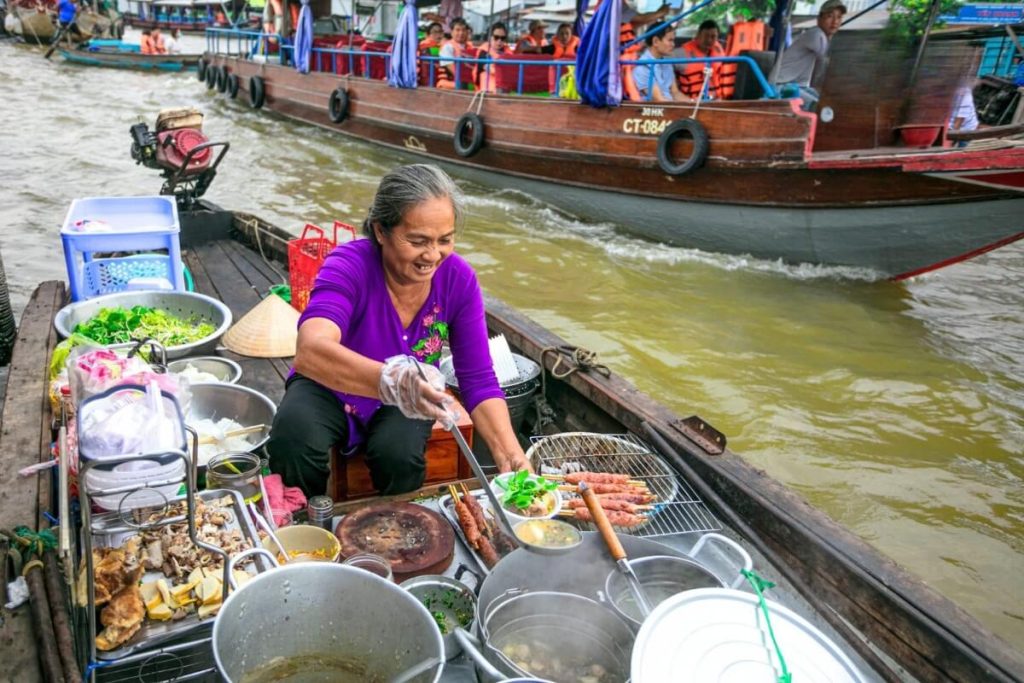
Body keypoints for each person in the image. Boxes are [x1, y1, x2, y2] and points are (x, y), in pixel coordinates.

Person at [266, 165, 531, 498]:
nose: (433, 255)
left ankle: (397, 532)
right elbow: (311, 350)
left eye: (445, 240)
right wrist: (392, 380)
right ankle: (307, 527)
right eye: (417, 241)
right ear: (381, 231)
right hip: (331, 384)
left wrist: (510, 454)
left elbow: (477, 378)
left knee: (400, 454)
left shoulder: (459, 280)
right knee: (294, 437)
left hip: (410, 394)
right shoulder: (348, 265)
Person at [775, 0, 846, 109]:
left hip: (799, 87)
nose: (835, 21)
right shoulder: (816, 34)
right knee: (820, 108)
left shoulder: (823, 37)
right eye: (830, 16)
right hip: (782, 87)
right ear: (819, 19)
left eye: (839, 17)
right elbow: (828, 65)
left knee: (829, 105)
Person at [632, 25, 687, 102]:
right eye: (670, 40)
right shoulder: (643, 67)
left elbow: (675, 93)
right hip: (658, 111)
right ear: (656, 41)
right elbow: (659, 100)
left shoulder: (666, 63)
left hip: (670, 107)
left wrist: (693, 103)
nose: (673, 44)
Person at [676, 19, 724, 100]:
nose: (709, 40)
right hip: (692, 103)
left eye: (713, 36)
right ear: (698, 35)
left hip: (717, 101)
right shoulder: (680, 53)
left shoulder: (720, 50)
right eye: (705, 36)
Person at [437, 18, 475, 88]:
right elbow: (454, 71)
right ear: (451, 32)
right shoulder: (447, 47)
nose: (461, 33)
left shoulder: (470, 47)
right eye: (457, 30)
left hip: (468, 82)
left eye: (463, 30)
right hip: (451, 84)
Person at [475, 22, 513, 92]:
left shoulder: (509, 53)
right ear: (490, 37)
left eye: (503, 38)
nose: (499, 41)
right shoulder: (483, 52)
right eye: (496, 37)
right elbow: (489, 68)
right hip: (486, 89)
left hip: (503, 88)